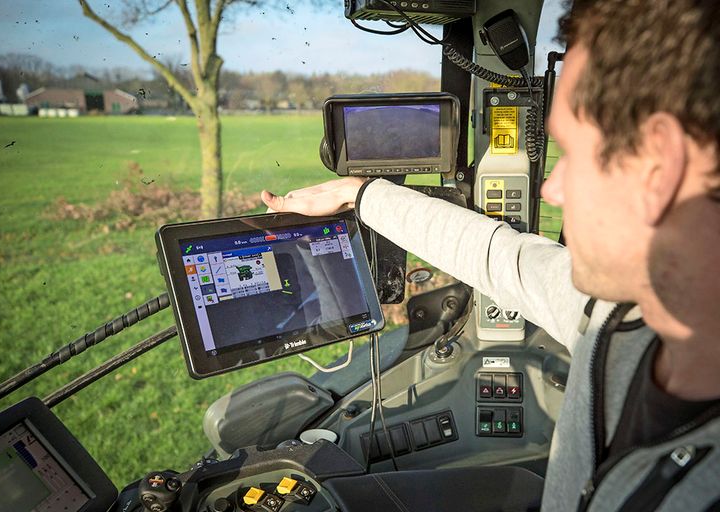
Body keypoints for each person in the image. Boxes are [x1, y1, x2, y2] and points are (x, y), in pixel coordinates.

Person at [260, 0, 720, 509]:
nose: (552, 190)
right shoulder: (618, 316)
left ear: (661, 166)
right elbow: (498, 254)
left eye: (572, 155)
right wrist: (360, 192)